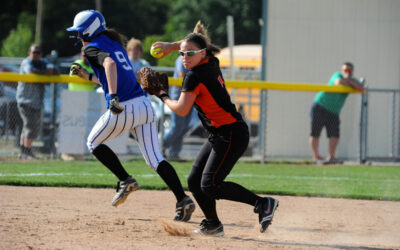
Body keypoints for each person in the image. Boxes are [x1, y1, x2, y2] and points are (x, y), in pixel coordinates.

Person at [151, 21, 278, 236]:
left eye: (189, 54)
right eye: (182, 54)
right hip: (221, 133)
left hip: (231, 134)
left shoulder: (194, 76)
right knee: (194, 181)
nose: (184, 58)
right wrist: (173, 46)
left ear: (202, 53)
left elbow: (181, 110)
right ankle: (212, 224)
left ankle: (262, 203)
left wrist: (161, 94)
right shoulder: (210, 60)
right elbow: (192, 45)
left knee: (210, 184)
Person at [66, 10, 195, 221]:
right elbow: (112, 75)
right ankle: (183, 199)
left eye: (80, 32)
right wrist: (87, 75)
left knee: (93, 143)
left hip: (124, 107)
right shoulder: (115, 44)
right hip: (144, 105)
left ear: (89, 31)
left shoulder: (91, 48)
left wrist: (113, 97)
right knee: (156, 160)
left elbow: (109, 66)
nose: (78, 37)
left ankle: (125, 179)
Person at [309, 62, 364, 164]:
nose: (347, 72)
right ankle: (316, 156)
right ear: (342, 70)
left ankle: (331, 157)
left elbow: (361, 88)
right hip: (320, 106)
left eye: (349, 70)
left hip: (334, 111)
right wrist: (351, 82)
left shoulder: (352, 80)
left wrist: (351, 81)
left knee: (335, 134)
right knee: (315, 132)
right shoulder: (337, 75)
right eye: (345, 70)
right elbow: (338, 82)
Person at [16, 44, 58, 159]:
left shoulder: (43, 62)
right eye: (34, 52)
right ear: (29, 53)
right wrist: (46, 72)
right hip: (25, 100)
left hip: (37, 101)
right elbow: (31, 72)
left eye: (38, 52)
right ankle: (26, 151)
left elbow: (56, 72)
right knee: (30, 126)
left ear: (41, 54)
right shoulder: (26, 62)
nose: (36, 54)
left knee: (29, 127)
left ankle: (24, 151)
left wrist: (50, 68)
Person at [162, 56, 197, 161]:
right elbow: (182, 76)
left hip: (191, 95)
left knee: (184, 127)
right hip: (179, 96)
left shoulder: (196, 57)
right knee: (177, 127)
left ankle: (174, 154)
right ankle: (158, 147)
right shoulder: (181, 58)